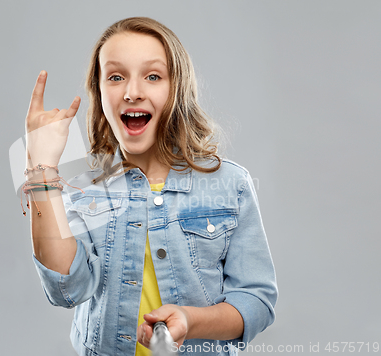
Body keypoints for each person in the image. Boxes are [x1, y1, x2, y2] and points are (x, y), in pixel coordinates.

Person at [22, 17, 277, 356]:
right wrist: (42, 171)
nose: (132, 92)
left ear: (176, 88)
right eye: (115, 77)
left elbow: (256, 301)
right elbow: (65, 289)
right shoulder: (82, 189)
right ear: (99, 94)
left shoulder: (231, 184)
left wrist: (191, 320)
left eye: (153, 76)